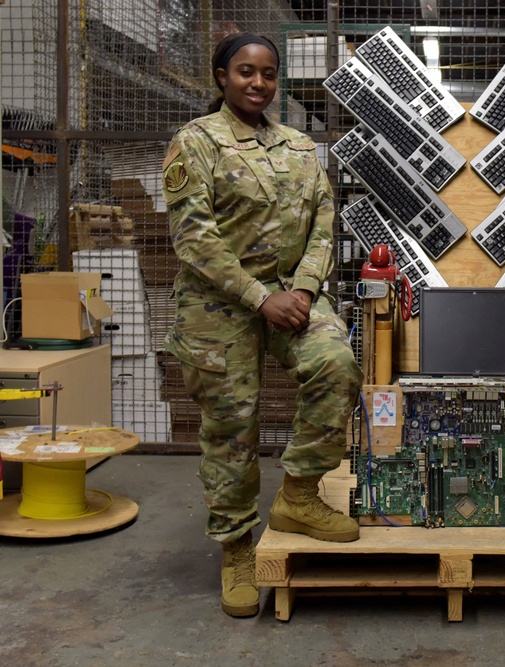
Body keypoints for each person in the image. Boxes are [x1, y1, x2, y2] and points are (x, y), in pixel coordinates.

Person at [162, 33, 363, 618]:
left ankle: (298, 494)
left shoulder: (300, 146)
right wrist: (259, 297)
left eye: (268, 74)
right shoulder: (196, 142)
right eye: (246, 72)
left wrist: (302, 288)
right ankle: (235, 548)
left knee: (336, 364)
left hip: (292, 298)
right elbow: (194, 237)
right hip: (218, 305)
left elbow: (325, 220)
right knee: (233, 425)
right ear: (221, 76)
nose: (258, 83)